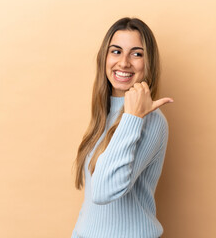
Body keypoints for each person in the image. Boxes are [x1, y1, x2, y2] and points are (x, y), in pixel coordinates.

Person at [71, 17, 173, 238]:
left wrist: (133, 117)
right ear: (104, 58)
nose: (124, 62)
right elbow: (91, 203)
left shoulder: (150, 120)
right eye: (116, 51)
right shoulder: (103, 113)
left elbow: (105, 191)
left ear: (149, 63)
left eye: (137, 54)